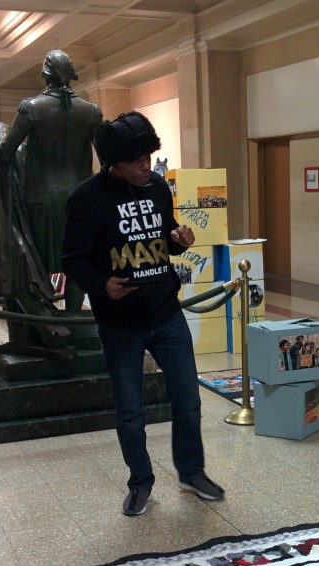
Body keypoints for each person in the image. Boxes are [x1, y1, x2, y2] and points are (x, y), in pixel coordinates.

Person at [60, 111, 224, 516]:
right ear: (113, 162)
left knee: (188, 400)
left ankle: (191, 471)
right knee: (131, 412)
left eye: (148, 159)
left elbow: (166, 236)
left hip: (166, 313)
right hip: (120, 324)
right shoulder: (85, 199)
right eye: (136, 161)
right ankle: (140, 482)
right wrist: (102, 285)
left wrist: (180, 239)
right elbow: (71, 258)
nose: (145, 168)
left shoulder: (155, 187)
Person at [0, 49, 102, 310]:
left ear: (45, 74)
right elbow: (106, 161)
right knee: (78, 260)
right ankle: (71, 317)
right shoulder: (91, 111)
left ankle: (41, 318)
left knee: (35, 260)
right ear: (71, 74)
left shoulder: (32, 108)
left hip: (40, 198)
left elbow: (5, 153)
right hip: (81, 197)